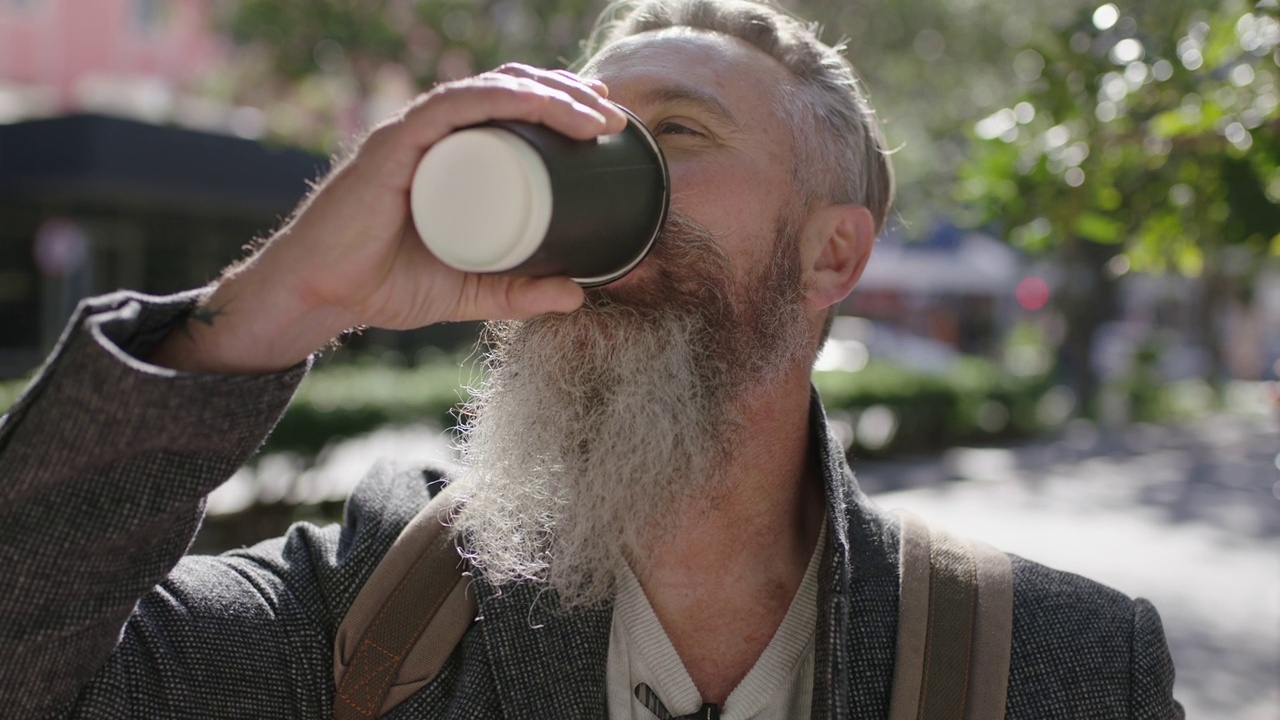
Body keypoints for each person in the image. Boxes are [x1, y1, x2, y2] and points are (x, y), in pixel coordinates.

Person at [0, 0, 1181, 717]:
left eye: (671, 135)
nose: (593, 184)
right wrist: (280, 301)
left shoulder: (1057, 665)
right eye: (564, 139)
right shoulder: (372, 610)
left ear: (830, 255)